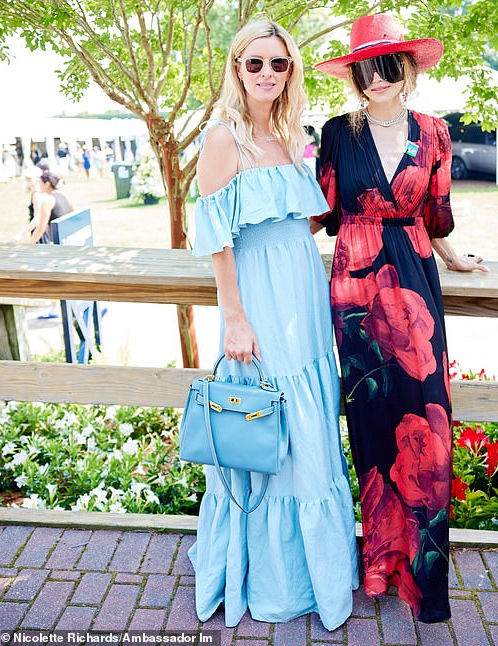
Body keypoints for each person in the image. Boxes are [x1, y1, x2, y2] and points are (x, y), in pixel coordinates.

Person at [312, 13, 487, 623]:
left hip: (415, 285)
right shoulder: (337, 133)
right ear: (356, 73)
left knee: (427, 424)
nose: (376, 77)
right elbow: (321, 212)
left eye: (387, 65)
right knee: (373, 422)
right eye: (365, 67)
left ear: (406, 69)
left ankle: (425, 572)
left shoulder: (434, 132)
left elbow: (437, 216)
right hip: (356, 296)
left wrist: (456, 259)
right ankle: (380, 563)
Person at [188, 18, 358, 630]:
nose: (266, 73)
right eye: (254, 62)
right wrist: (235, 319)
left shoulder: (292, 134)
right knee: (268, 424)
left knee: (309, 425)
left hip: (303, 296)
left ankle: (316, 573)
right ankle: (271, 578)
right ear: (236, 68)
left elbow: (305, 218)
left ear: (291, 72)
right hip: (257, 299)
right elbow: (217, 242)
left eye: (278, 64)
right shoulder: (221, 139)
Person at [30, 169, 73, 244]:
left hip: (59, 242)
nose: (38, 185)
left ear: (47, 184)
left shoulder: (47, 200)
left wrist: (30, 244)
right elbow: (73, 214)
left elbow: (41, 229)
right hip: (68, 237)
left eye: (39, 182)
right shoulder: (64, 196)